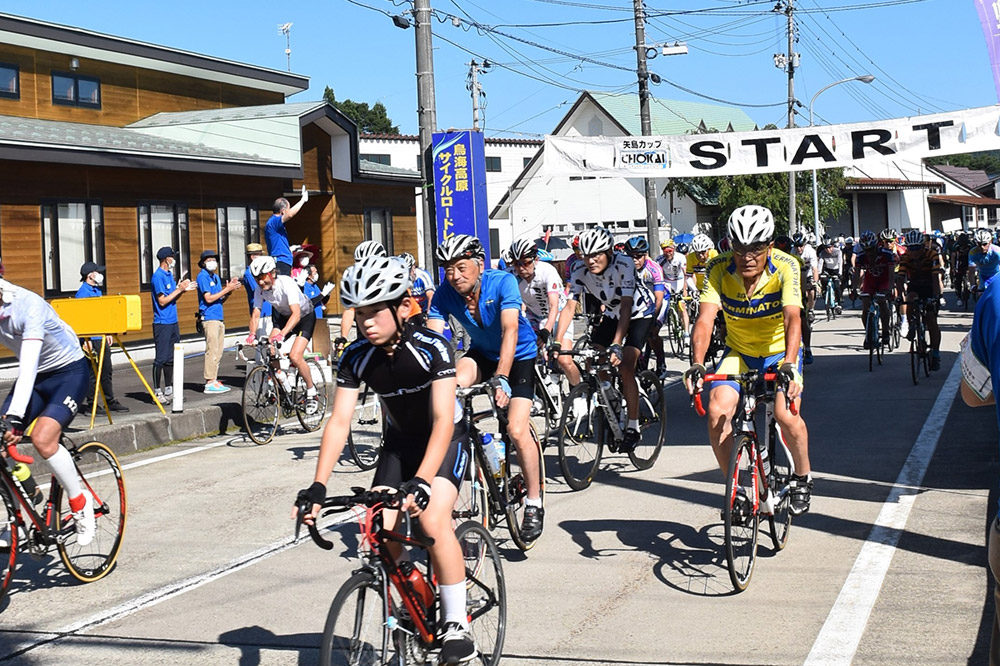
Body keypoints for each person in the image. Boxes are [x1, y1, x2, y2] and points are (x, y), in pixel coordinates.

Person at [294, 255, 477, 664]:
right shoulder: (356, 356)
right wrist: (318, 486)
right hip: (399, 444)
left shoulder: (432, 347)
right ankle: (415, 598)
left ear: (404, 307)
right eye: (359, 313)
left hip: (445, 439)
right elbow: (339, 422)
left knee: (433, 520)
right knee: (381, 529)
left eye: (375, 311)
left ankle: (455, 621)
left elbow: (443, 420)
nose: (366, 322)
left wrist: (423, 481)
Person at [683, 205, 813, 516]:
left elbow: (792, 317)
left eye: (756, 248)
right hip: (739, 352)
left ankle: (802, 477)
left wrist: (790, 364)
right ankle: (738, 489)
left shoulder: (786, 265)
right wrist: (697, 363)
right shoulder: (717, 268)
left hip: (779, 353)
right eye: (739, 248)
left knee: (784, 415)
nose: (747, 256)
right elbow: (705, 319)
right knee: (717, 412)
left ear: (770, 245)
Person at [426, 234, 545, 543]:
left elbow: (510, 330)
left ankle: (534, 502)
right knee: (448, 387)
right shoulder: (444, 293)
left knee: (516, 429)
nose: (454, 276)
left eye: (461, 267)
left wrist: (502, 376)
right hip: (481, 354)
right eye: (448, 269)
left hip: (518, 357)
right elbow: (433, 339)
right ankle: (478, 451)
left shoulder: (502, 282)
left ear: (479, 264)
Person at [0, 273, 96, 546]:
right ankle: (21, 511)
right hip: (36, 378)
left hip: (68, 373)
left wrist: (15, 417)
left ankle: (80, 502)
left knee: (43, 438)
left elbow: (29, 365)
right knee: (1, 442)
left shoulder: (27, 304)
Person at [556, 227, 657, 451]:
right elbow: (570, 306)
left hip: (639, 313)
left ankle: (633, 427)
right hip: (612, 313)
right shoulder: (579, 268)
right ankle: (611, 398)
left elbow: (627, 306)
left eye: (596, 255)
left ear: (609, 252)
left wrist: (617, 344)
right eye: (586, 255)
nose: (590, 261)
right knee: (593, 358)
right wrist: (556, 340)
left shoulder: (624, 264)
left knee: (627, 365)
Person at [508, 238, 584, 415]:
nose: (521, 268)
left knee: (564, 359)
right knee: (524, 356)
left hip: (558, 315)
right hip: (534, 316)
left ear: (535, 259)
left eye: (526, 263)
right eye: (517, 264)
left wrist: (546, 331)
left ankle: (580, 393)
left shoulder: (547, 271)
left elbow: (553, 306)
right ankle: (538, 395)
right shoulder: (511, 275)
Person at [248, 256, 319, 411]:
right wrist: (252, 334)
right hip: (283, 317)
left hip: (304, 317)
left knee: (295, 356)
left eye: (263, 277)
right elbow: (256, 313)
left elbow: (296, 314)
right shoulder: (259, 290)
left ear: (272, 273)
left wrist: (282, 335)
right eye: (257, 279)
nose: (261, 282)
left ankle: (312, 391)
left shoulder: (286, 283)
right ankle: (284, 383)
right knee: (270, 350)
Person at [74, 261, 128, 413]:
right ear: (90, 275)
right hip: (91, 339)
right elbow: (80, 319)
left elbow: (102, 315)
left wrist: (108, 332)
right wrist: (86, 340)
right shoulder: (83, 293)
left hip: (101, 337)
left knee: (106, 370)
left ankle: (110, 401)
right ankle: (91, 404)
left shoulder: (97, 291)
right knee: (92, 372)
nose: (100, 275)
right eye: (97, 272)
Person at [150, 247, 194, 402]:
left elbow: (172, 298)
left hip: (173, 321)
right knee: (160, 358)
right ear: (166, 259)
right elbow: (162, 301)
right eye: (172, 257)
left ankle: (169, 390)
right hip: (162, 322)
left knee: (171, 358)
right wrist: (179, 289)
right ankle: (157, 392)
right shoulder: (158, 276)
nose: (173, 260)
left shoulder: (169, 275)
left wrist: (182, 290)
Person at [896, 229, 943, 370]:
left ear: (923, 246)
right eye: (911, 248)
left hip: (929, 285)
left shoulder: (932, 255)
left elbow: (935, 278)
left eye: (917, 248)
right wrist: (899, 296)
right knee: (910, 298)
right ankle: (912, 325)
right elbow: (900, 278)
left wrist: (936, 297)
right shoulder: (905, 257)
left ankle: (936, 354)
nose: (914, 252)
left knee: (931, 320)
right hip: (915, 284)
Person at [196, 249, 242, 393]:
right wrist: (226, 289)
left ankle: (214, 379)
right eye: (208, 260)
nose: (212, 262)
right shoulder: (202, 276)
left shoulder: (215, 277)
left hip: (218, 316)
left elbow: (219, 298)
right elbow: (208, 298)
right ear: (203, 263)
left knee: (218, 350)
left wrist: (229, 291)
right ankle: (209, 381)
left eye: (213, 259)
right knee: (212, 350)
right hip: (209, 317)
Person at [624, 236, 668, 375]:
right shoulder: (625, 268)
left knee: (652, 332)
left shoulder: (654, 268)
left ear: (645, 255)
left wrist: (653, 319)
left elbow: (659, 298)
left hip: (658, 300)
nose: (634, 260)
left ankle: (661, 361)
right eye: (631, 256)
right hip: (639, 302)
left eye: (638, 256)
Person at [336, 240, 387, 354]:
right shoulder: (358, 284)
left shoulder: (391, 281)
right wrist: (343, 338)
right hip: (366, 337)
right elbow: (349, 311)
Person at [853, 231, 897, 350]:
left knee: (882, 301)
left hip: (884, 280)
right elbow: (856, 275)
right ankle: (869, 333)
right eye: (866, 250)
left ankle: (886, 330)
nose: (869, 253)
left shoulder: (887, 254)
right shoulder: (860, 257)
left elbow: (892, 274)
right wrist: (854, 289)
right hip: (870, 281)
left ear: (876, 246)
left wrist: (890, 289)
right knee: (865, 307)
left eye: (871, 249)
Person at [264, 186, 309, 276]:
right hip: (281, 261)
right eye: (288, 209)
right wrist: (302, 200)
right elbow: (290, 215)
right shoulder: (273, 222)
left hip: (284, 261)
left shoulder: (275, 224)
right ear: (283, 211)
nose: (289, 211)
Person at [656, 238, 691, 343]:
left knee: (682, 307)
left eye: (670, 251)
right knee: (663, 304)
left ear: (674, 249)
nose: (667, 253)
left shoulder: (680, 257)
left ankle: (686, 333)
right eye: (665, 251)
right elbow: (658, 276)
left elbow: (686, 274)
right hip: (667, 282)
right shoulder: (660, 260)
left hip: (679, 281)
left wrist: (685, 289)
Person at [791, 231, 819, 364]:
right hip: (794, 280)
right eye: (797, 246)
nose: (799, 249)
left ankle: (808, 348)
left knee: (804, 318)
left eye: (801, 245)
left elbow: (814, 269)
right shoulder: (792, 253)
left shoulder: (810, 251)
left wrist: (816, 282)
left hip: (807, 277)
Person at [242, 244, 272, 340]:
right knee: (263, 342)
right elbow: (259, 289)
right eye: (259, 255)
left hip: (269, 311)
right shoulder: (249, 273)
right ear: (252, 257)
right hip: (260, 313)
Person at [399, 252, 436, 326]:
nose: (407, 275)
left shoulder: (423, 275)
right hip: (413, 310)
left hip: (425, 308)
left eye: (408, 272)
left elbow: (431, 296)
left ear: (413, 268)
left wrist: (429, 314)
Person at [817, 237, 844, 314]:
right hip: (827, 270)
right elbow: (820, 263)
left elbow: (840, 262)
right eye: (826, 248)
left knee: (837, 286)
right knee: (824, 280)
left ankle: (839, 304)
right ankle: (825, 292)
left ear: (832, 246)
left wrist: (840, 273)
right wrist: (819, 273)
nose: (828, 250)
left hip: (836, 270)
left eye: (829, 247)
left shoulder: (838, 251)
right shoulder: (822, 253)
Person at [970, 228, 1000, 293]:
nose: (982, 247)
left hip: (996, 275)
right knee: (981, 294)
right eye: (979, 244)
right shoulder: (972, 253)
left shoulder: (997, 251)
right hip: (982, 276)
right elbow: (971, 271)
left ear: (990, 242)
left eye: (984, 244)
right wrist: (972, 285)